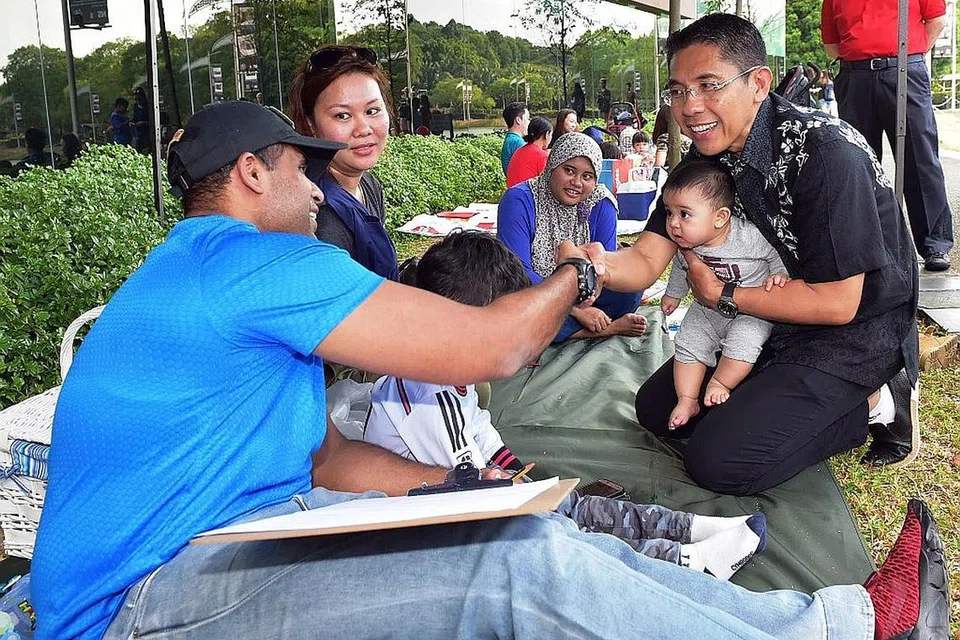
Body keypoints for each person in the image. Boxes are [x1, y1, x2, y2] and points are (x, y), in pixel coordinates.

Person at [30, 98, 949, 640]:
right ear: (248, 175)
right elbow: (493, 347)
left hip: (248, 526)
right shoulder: (243, 260)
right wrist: (576, 273)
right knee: (507, 577)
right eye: (300, 168)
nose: (319, 187)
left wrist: (460, 486)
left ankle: (826, 619)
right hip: (140, 599)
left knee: (536, 531)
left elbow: (318, 459)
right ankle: (850, 629)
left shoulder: (192, 271)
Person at [587, 13, 921, 496]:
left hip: (854, 330)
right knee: (659, 411)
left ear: (759, 83)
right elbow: (644, 260)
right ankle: (778, 394)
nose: (690, 106)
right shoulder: (706, 159)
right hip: (768, 317)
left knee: (719, 463)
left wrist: (725, 295)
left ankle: (875, 401)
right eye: (678, 90)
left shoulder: (823, 151)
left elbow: (838, 303)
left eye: (708, 85)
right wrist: (593, 264)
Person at [365, 229, 769, 581]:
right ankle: (683, 560)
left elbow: (480, 429)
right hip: (447, 532)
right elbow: (472, 484)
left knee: (564, 500)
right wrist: (514, 484)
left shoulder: (448, 375)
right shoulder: (429, 399)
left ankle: (692, 528)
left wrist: (513, 469)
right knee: (556, 537)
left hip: (468, 495)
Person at [822, 0, 953, 272]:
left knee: (921, 159)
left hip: (905, 70)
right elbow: (831, 45)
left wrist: (905, 59)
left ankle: (934, 244)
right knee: (857, 162)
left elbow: (936, 20)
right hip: (855, 76)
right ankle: (871, 245)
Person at [658, 159, 789, 429]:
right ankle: (687, 398)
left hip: (749, 310)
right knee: (687, 342)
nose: (673, 223)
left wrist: (779, 273)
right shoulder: (687, 245)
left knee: (744, 343)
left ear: (720, 218)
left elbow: (775, 252)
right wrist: (673, 294)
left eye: (684, 214)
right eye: (669, 213)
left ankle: (720, 381)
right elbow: (681, 268)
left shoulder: (748, 237)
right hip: (706, 311)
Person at [498, 132, 646, 341]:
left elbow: (605, 269)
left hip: (586, 294)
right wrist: (576, 311)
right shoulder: (519, 199)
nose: (576, 182)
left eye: (587, 176)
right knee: (514, 310)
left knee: (630, 286)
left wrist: (584, 302)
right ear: (552, 166)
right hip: (534, 294)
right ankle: (601, 329)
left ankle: (562, 331)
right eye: (569, 170)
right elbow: (517, 272)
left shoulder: (601, 202)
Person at [288, 45, 399, 281]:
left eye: (372, 110)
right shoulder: (318, 215)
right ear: (310, 125)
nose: (364, 129)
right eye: (342, 115)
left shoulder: (369, 186)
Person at [506, 115, 551, 188]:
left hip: (511, 194)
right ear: (547, 135)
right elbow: (547, 184)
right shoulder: (541, 155)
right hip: (526, 196)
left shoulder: (520, 150)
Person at [500, 101, 530, 175]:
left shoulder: (511, 139)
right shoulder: (517, 142)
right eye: (527, 118)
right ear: (518, 120)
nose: (529, 122)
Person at [131, 87, 150, 153]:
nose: (138, 100)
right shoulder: (135, 106)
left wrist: (144, 123)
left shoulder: (149, 106)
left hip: (148, 133)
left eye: (139, 98)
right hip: (138, 133)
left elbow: (153, 121)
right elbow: (134, 118)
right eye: (136, 99)